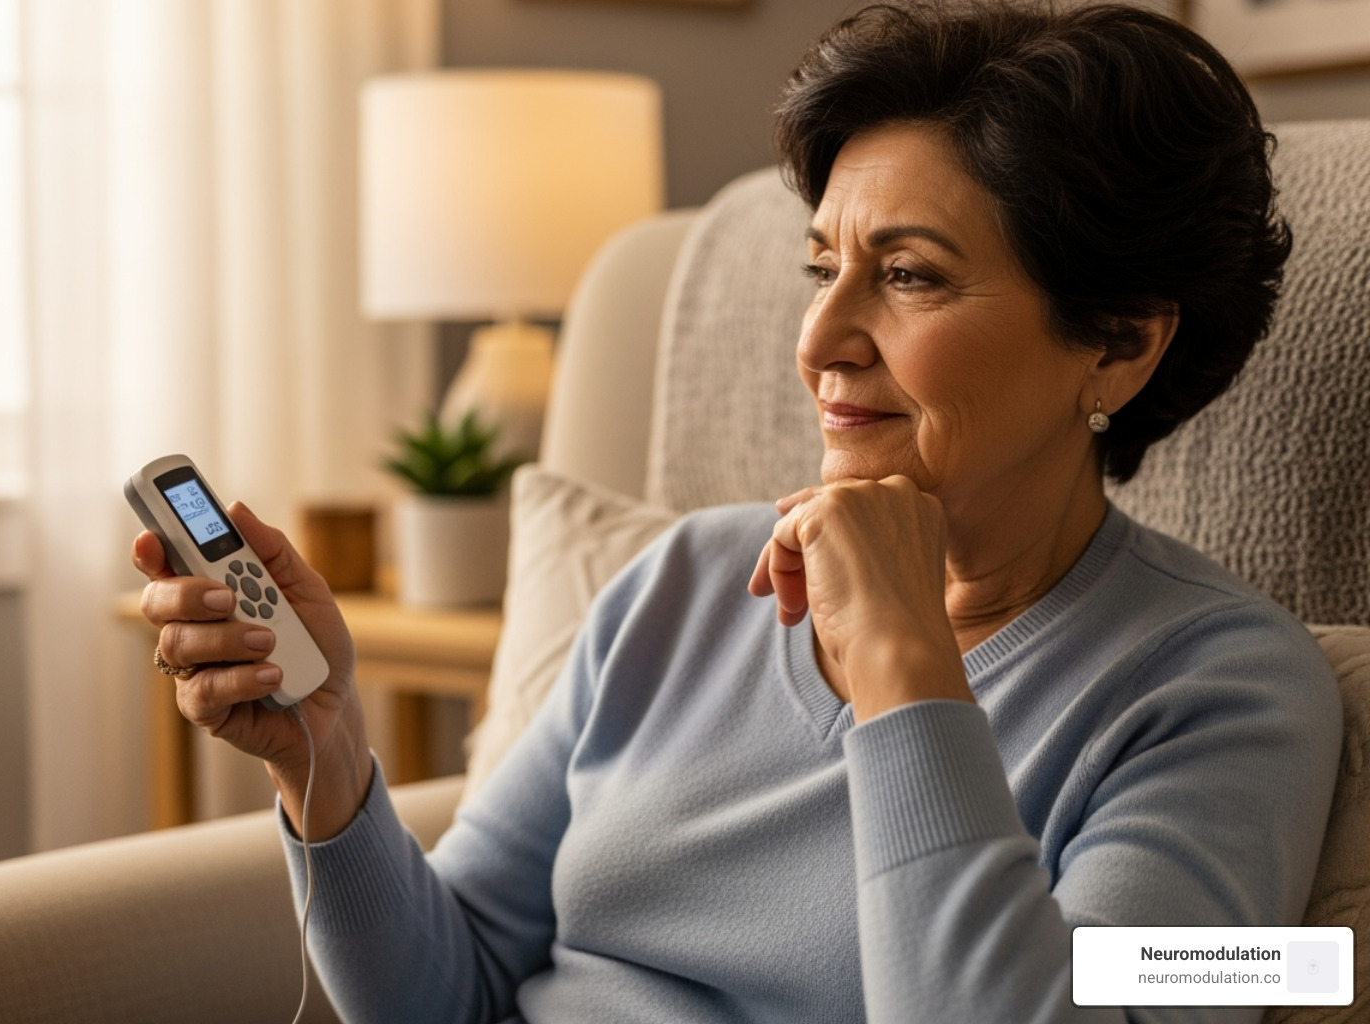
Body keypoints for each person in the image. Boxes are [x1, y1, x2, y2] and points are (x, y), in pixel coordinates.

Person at [133, 3, 1341, 1021]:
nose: (819, 339)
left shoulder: (1223, 693)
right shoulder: (687, 580)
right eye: (824, 269)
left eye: (910, 275)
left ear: (1121, 344)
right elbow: (453, 994)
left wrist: (903, 662)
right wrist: (329, 759)